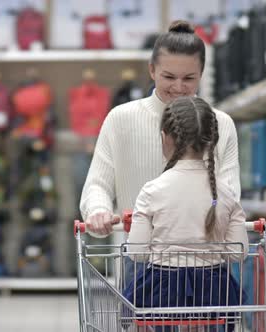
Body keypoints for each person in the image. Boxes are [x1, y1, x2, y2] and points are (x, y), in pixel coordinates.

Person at [79, 20, 241, 238]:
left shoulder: (221, 124)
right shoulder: (120, 119)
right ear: (152, 70)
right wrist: (98, 210)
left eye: (189, 78)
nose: (178, 87)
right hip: (138, 255)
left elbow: (230, 192)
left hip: (205, 260)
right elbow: (98, 184)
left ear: (201, 73)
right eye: (169, 77)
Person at [123, 96, 248, 332]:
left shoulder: (152, 191)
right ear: (211, 141)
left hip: (163, 292)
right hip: (214, 293)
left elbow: (136, 253)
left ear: (164, 137)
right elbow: (237, 253)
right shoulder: (226, 192)